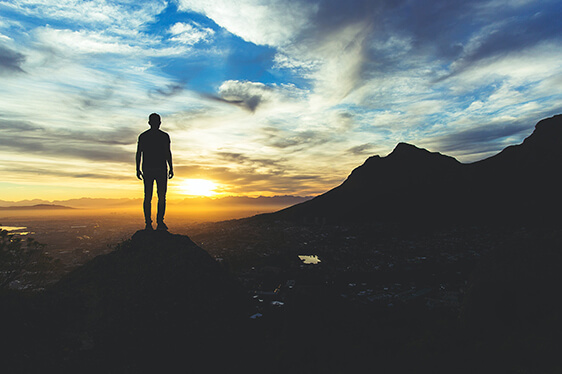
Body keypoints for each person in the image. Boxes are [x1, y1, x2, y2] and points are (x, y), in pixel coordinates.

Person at [136, 113, 174, 230]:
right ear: (159, 123)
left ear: (149, 123)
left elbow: (139, 153)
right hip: (160, 169)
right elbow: (168, 153)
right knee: (160, 197)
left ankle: (149, 223)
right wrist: (171, 167)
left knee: (148, 197)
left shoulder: (143, 136)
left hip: (149, 169)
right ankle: (159, 222)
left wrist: (137, 168)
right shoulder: (164, 136)